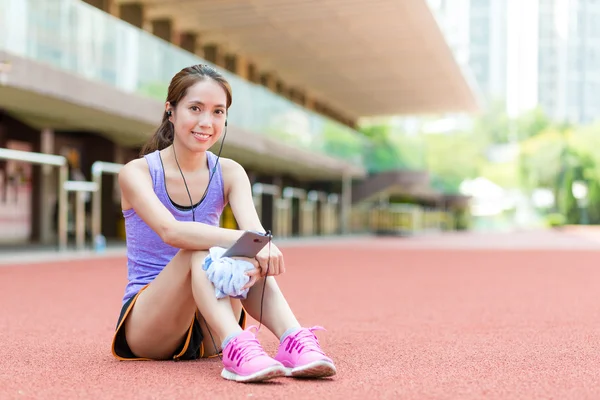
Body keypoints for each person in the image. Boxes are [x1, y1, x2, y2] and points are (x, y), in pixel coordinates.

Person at [111, 64, 336, 383]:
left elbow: (255, 237)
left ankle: (292, 339)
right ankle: (237, 347)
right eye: (195, 108)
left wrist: (255, 246)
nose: (206, 122)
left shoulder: (230, 172)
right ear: (170, 111)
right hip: (151, 323)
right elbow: (171, 232)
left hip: (210, 322)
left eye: (218, 112)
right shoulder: (137, 173)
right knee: (199, 252)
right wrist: (251, 241)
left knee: (243, 249)